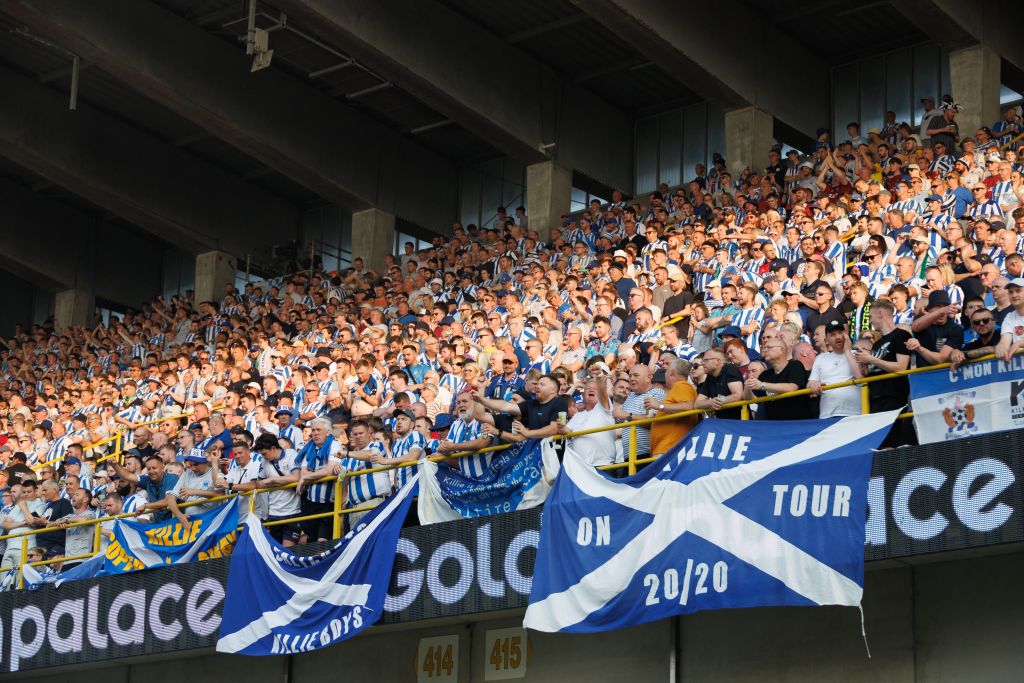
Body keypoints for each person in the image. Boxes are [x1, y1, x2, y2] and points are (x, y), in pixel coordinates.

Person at [295, 417, 345, 542]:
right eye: (313, 430)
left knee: (322, 542)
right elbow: (304, 471)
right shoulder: (310, 446)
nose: (315, 433)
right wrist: (309, 476)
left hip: (329, 501)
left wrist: (306, 478)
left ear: (328, 432)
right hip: (311, 501)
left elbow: (329, 470)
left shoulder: (335, 444)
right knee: (311, 540)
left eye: (318, 430)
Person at [558, 362, 615, 466]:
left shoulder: (604, 408)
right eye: (588, 388)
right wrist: (560, 427)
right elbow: (567, 430)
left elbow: (603, 392)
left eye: (595, 388)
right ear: (583, 394)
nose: (592, 389)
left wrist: (599, 376)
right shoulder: (577, 416)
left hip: (603, 465)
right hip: (581, 469)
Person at [744, 338, 811, 420]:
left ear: (781, 350)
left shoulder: (795, 365)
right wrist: (747, 386)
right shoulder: (765, 375)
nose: (764, 350)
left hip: (797, 423)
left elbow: (792, 388)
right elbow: (751, 398)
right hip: (775, 427)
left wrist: (762, 385)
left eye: (769, 347)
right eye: (764, 348)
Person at [254, 433, 302, 546]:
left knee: (288, 550)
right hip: (274, 513)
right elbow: (260, 483)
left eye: (265, 453)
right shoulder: (264, 462)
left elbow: (296, 477)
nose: (263, 457)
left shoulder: (291, 454)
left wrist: (273, 481)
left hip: (293, 511)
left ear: (273, 448)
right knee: (277, 552)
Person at [808, 320, 863, 417]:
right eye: (833, 334)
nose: (838, 337)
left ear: (846, 335)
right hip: (828, 414)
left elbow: (860, 377)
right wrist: (813, 384)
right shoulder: (820, 358)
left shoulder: (857, 354)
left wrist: (847, 350)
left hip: (854, 413)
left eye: (840, 333)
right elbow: (810, 384)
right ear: (826, 341)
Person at [612, 365, 665, 459]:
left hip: (648, 454)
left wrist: (627, 416)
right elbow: (618, 419)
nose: (631, 378)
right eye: (630, 375)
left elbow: (653, 422)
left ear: (649, 377)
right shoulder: (629, 397)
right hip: (628, 456)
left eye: (636, 375)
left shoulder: (657, 393)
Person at [648, 358, 697, 456]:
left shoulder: (682, 386)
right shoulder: (678, 388)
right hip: (666, 447)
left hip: (670, 447)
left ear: (671, 373)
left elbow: (688, 406)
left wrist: (659, 405)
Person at [109, 454, 180, 521]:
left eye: (154, 468)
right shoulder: (147, 479)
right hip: (160, 525)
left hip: (176, 523)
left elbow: (168, 501)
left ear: (162, 468)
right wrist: (115, 465)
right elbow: (127, 476)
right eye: (149, 469)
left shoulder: (172, 478)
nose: (151, 471)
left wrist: (146, 506)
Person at [167, 451, 220, 531]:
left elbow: (221, 494)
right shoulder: (187, 474)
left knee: (192, 509)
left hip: (211, 517)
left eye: (196, 464)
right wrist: (179, 515)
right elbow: (170, 498)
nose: (193, 468)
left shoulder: (215, 472)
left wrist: (195, 491)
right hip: (191, 521)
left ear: (205, 462)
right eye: (191, 465)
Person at [694, 348, 745, 419]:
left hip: (740, 422)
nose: (702, 363)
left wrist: (719, 400)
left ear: (718, 361)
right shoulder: (710, 376)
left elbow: (738, 395)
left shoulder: (730, 368)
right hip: (722, 424)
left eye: (706, 360)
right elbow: (697, 404)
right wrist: (711, 402)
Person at [32, 480, 74, 558]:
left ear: (54, 489)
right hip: (42, 547)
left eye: (45, 490)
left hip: (55, 547)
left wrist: (46, 522)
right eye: (42, 491)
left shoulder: (64, 502)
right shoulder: (48, 506)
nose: (43, 493)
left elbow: (67, 522)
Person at [996, 278, 1024, 362]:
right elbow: (1005, 340)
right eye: (1010, 292)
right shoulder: (1009, 317)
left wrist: (1019, 343)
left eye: (1018, 291)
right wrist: (1001, 347)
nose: (1014, 295)